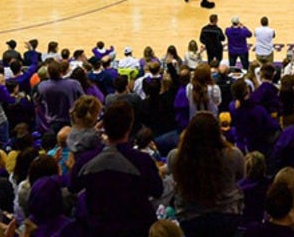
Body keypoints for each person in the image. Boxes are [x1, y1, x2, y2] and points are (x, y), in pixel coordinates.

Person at [70, 100, 164, 235]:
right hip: (137, 228)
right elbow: (157, 190)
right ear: (130, 126)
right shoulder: (143, 161)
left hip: (98, 229)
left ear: (103, 126)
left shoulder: (85, 161)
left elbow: (72, 186)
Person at [170, 112, 246, 236]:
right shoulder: (233, 154)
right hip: (227, 216)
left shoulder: (175, 157)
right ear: (217, 133)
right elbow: (241, 175)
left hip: (190, 220)